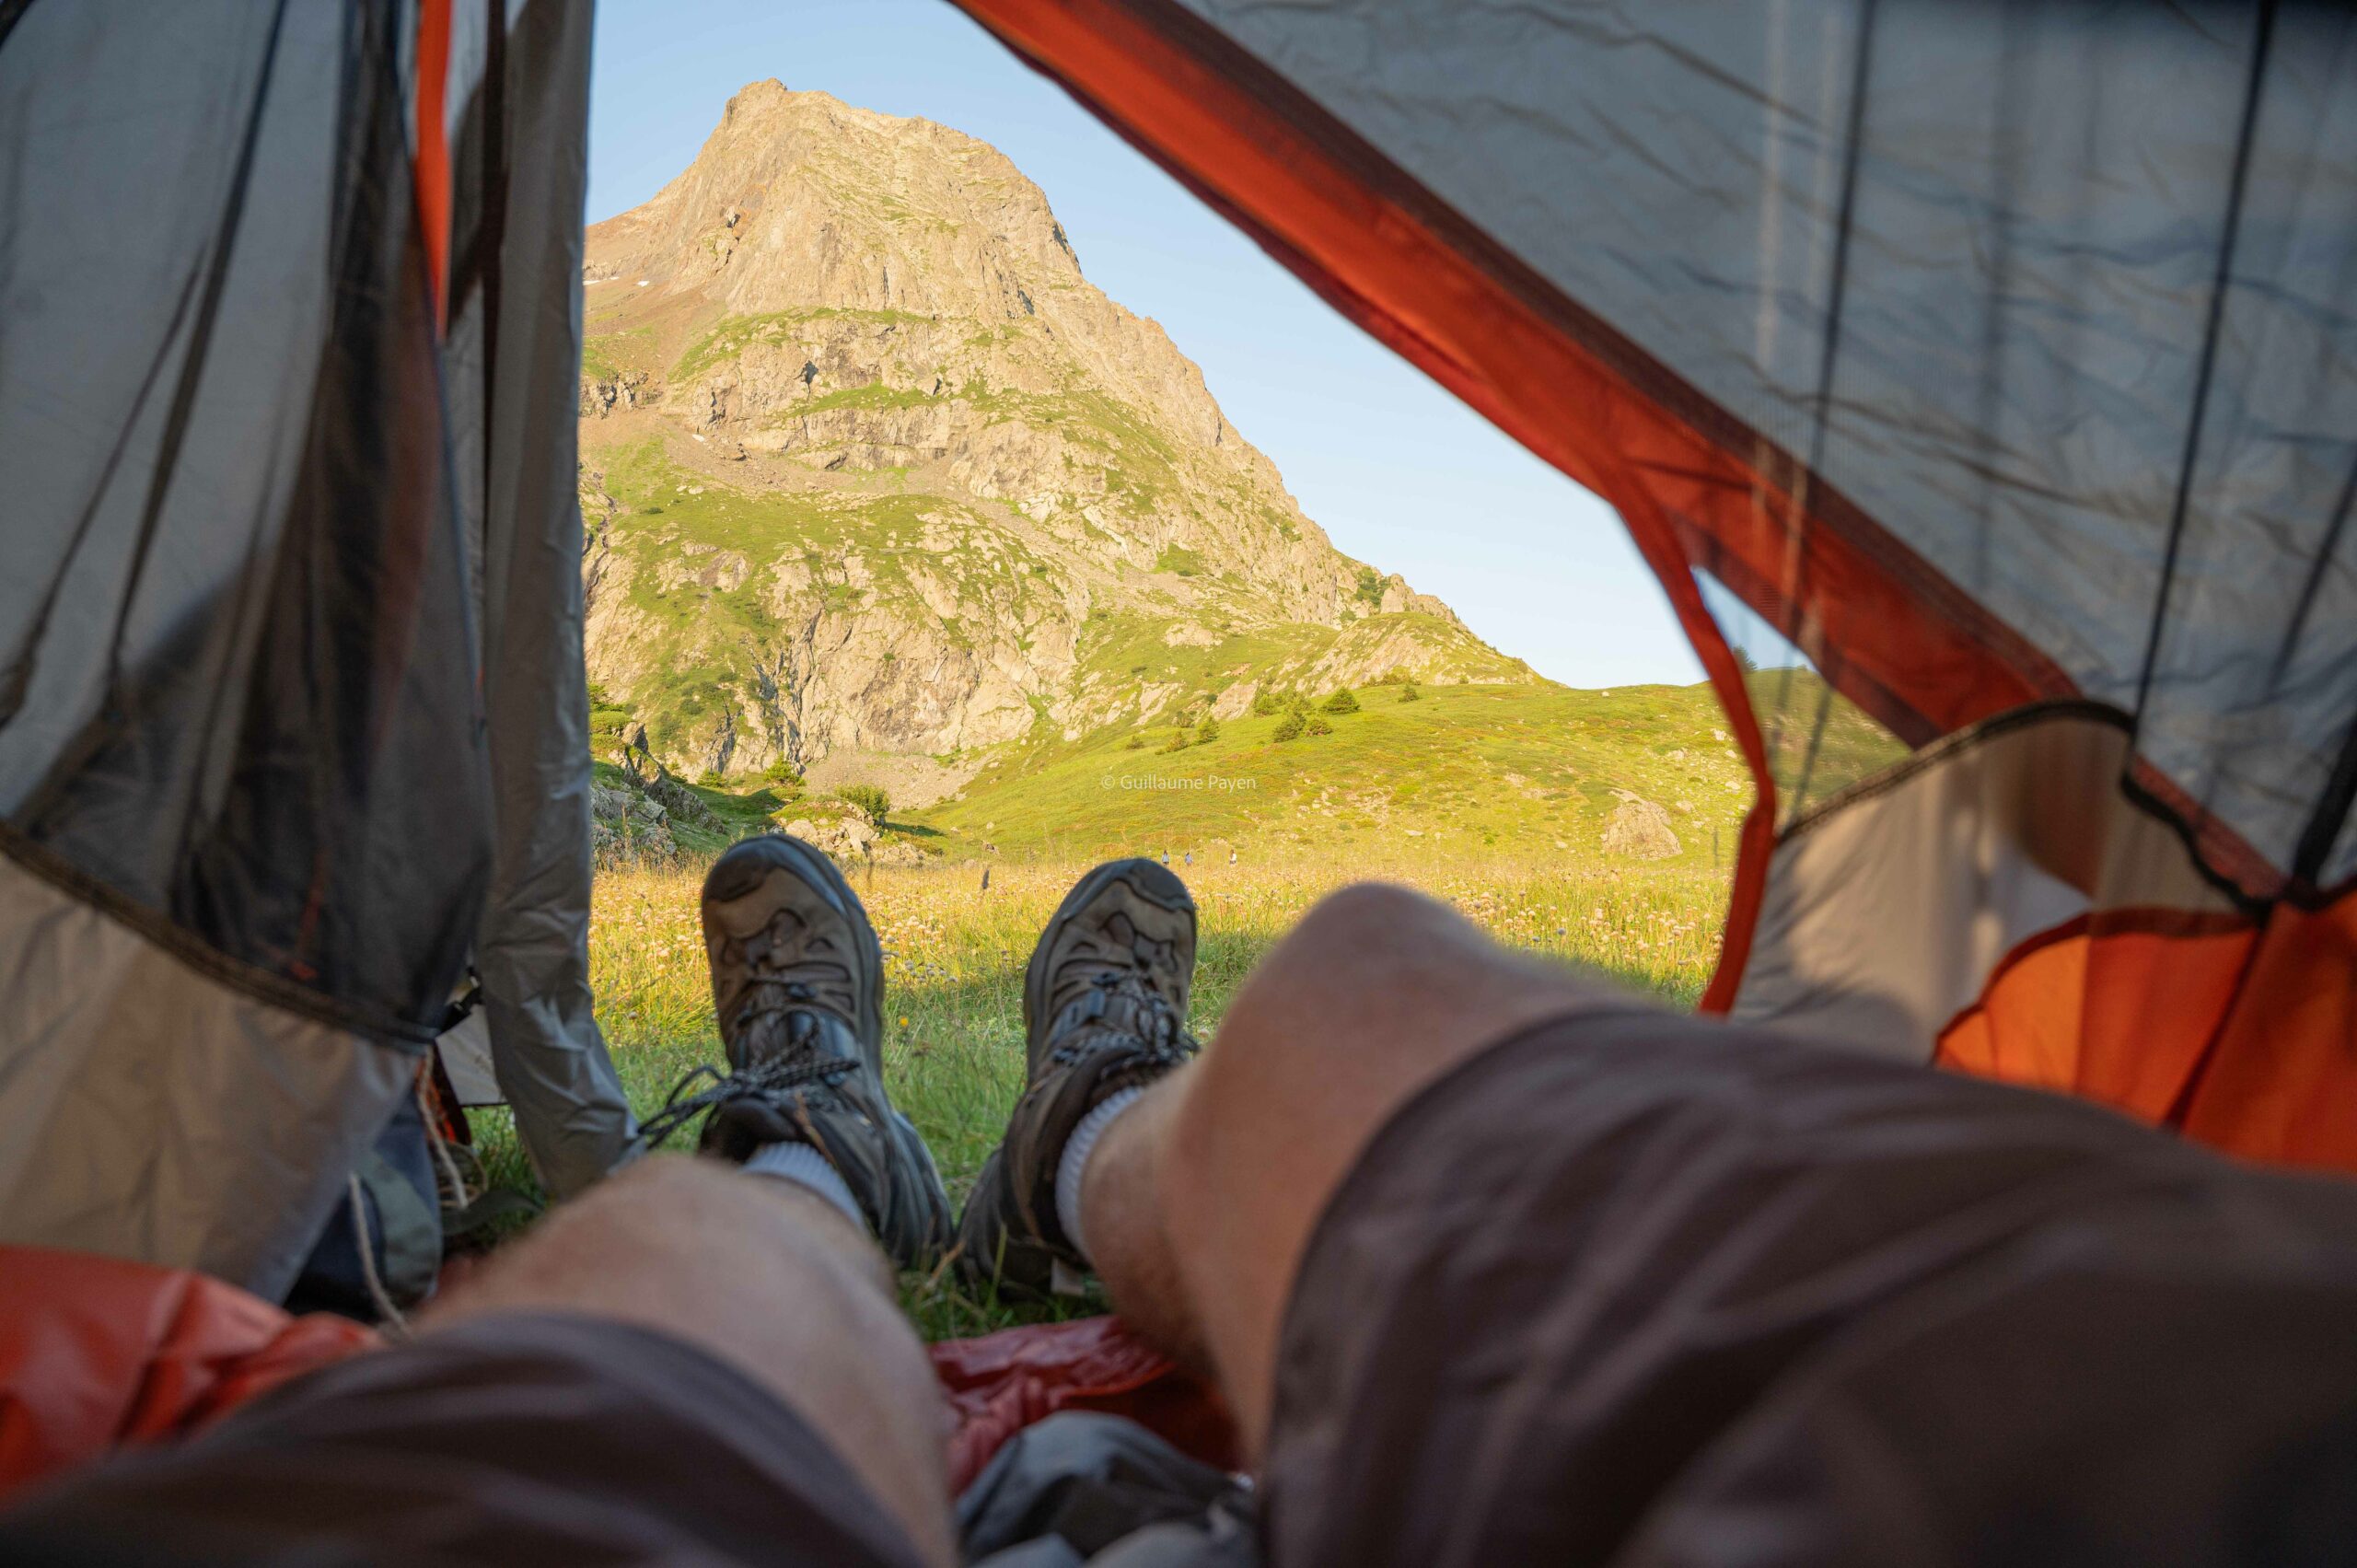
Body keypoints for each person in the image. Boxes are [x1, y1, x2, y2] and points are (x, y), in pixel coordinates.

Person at [6, 835, 2357, 1566]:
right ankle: (1081, 1133)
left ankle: (822, 1144)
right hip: (2062, 1436)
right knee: (1359, 984)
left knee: (719, 1273)